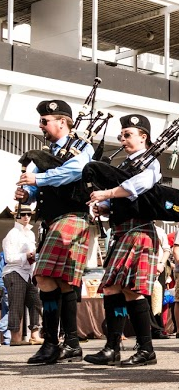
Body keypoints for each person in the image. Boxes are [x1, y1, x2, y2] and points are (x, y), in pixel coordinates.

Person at [17, 99, 94, 365]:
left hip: (73, 216)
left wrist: (37, 179)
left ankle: (50, 343)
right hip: (52, 219)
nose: (42, 126)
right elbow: (35, 188)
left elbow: (75, 172)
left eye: (45, 121)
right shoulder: (43, 155)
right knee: (61, 282)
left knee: (44, 276)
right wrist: (26, 191)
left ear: (62, 121)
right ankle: (71, 344)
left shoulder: (82, 147)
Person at [83, 114, 162, 366]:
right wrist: (104, 207)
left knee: (132, 290)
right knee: (111, 288)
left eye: (128, 134)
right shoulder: (126, 165)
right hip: (122, 231)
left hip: (139, 230)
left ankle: (146, 349)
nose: (123, 139)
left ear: (143, 137)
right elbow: (121, 195)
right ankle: (112, 347)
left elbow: (139, 185)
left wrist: (107, 192)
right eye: (122, 135)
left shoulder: (150, 162)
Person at [2, 205, 43, 346]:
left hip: (28, 272)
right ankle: (15, 338)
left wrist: (32, 257)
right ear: (16, 216)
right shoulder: (12, 234)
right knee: (17, 305)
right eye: (23, 214)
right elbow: (9, 258)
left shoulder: (30, 234)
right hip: (14, 272)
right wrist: (27, 255)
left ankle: (34, 335)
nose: (26, 217)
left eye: (29, 214)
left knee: (36, 303)